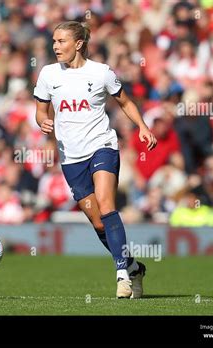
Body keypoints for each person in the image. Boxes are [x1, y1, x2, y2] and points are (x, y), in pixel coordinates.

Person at [34, 21, 157, 299]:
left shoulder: (101, 72)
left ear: (78, 44)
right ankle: (135, 267)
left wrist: (143, 127)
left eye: (62, 41)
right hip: (70, 155)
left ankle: (122, 276)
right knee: (99, 222)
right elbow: (41, 111)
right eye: (54, 41)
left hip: (102, 146)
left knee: (106, 205)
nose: (55, 47)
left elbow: (124, 101)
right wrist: (43, 122)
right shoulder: (48, 74)